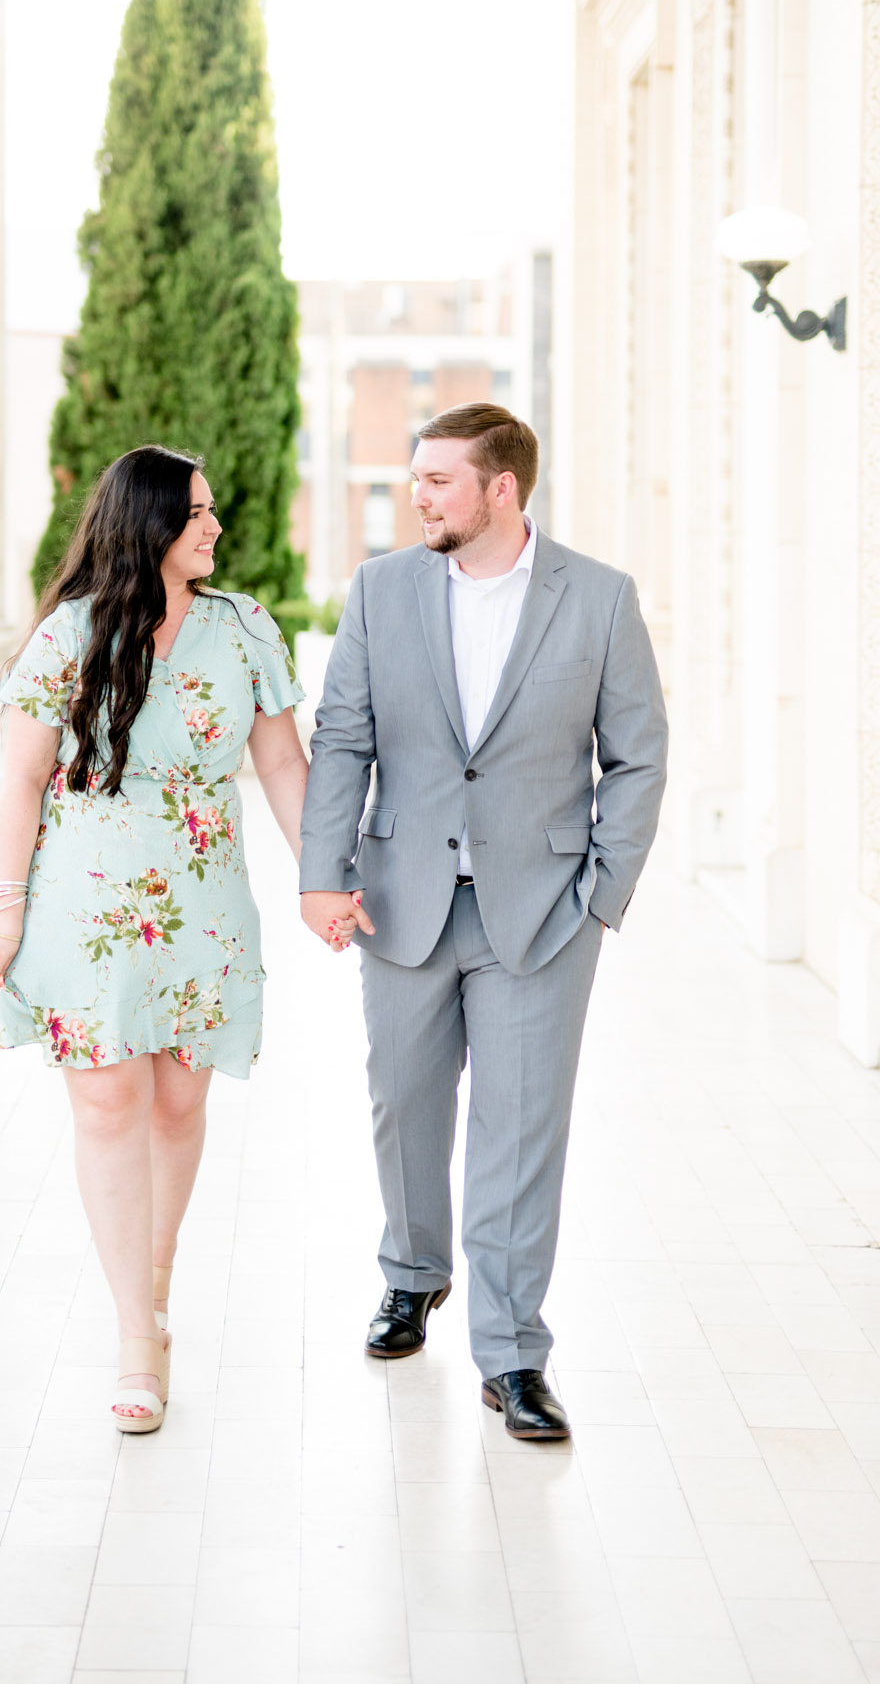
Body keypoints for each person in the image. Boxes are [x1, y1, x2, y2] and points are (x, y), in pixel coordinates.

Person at [298, 403, 667, 1440]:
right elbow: (342, 738)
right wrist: (320, 873)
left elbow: (637, 753)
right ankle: (413, 1272)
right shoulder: (380, 589)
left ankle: (511, 1353)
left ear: (500, 488)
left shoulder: (596, 598)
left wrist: (602, 889)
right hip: (401, 898)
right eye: (416, 477)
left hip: (542, 913)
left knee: (519, 1128)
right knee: (403, 1104)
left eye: (438, 481)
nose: (417, 495)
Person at [0, 445, 316, 1431]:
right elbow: (19, 781)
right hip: (83, 896)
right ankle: (136, 1331)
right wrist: (4, 909)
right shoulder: (68, 636)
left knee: (175, 1100)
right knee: (107, 1100)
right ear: (149, 525)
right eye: (197, 513)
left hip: (202, 898)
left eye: (212, 510)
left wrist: (327, 879)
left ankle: (157, 1284)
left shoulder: (242, 627)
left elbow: (286, 765)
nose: (214, 527)